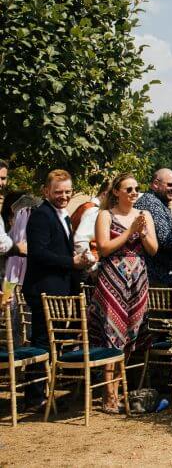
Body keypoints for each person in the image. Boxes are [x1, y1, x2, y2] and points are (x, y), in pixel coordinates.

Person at [23, 169, 94, 408]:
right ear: (46, 191)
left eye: (67, 192)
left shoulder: (62, 216)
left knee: (55, 342)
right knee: (42, 342)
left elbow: (58, 250)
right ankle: (35, 396)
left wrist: (78, 258)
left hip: (61, 290)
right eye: (58, 192)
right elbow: (38, 253)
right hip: (43, 289)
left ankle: (46, 390)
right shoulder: (41, 216)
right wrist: (70, 262)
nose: (64, 196)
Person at [91, 173, 158, 412]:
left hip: (138, 276)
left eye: (136, 189)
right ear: (116, 192)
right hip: (113, 277)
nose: (133, 193)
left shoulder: (145, 215)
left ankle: (118, 389)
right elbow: (104, 249)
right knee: (112, 333)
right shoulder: (105, 215)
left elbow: (153, 249)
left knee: (131, 332)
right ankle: (108, 394)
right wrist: (129, 232)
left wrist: (142, 232)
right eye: (128, 189)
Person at [135, 169, 172, 288]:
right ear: (155, 184)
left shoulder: (158, 202)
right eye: (170, 184)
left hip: (162, 275)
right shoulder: (151, 203)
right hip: (158, 277)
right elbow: (164, 241)